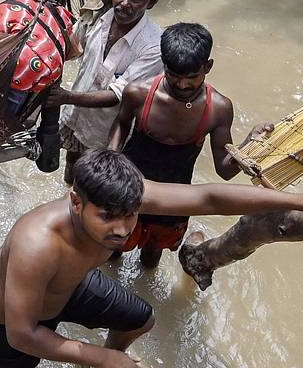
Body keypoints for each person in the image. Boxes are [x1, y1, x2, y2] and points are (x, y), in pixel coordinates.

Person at [0, 148, 303, 368]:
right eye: (108, 218)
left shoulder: (125, 196)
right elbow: (21, 335)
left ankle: (113, 361)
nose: (121, 229)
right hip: (4, 319)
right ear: (76, 202)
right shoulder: (38, 245)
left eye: (130, 215)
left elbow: (207, 196)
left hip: (69, 286)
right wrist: (100, 356)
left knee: (140, 317)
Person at [108, 22, 270, 270]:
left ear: (208, 67)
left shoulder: (218, 109)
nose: (182, 85)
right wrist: (110, 161)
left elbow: (224, 170)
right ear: (163, 64)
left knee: (152, 257)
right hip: (129, 188)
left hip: (175, 199)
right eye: (174, 76)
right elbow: (120, 125)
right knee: (112, 251)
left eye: (192, 77)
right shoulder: (138, 93)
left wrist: (250, 142)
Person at [47, 0, 169, 184]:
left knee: (92, 185)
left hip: (106, 135)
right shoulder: (95, 17)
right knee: (71, 168)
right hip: (75, 118)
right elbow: (70, 47)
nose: (124, 3)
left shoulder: (153, 47)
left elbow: (117, 95)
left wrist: (66, 97)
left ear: (149, 3)